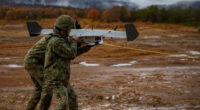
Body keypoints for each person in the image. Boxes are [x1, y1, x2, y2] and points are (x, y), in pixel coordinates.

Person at [24, 15, 93, 110]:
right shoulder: (56, 41)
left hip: (48, 65)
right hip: (34, 61)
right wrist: (74, 40)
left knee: (44, 89)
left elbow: (68, 53)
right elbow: (70, 53)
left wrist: (87, 46)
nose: (71, 32)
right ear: (63, 30)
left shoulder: (60, 38)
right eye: (69, 30)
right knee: (45, 88)